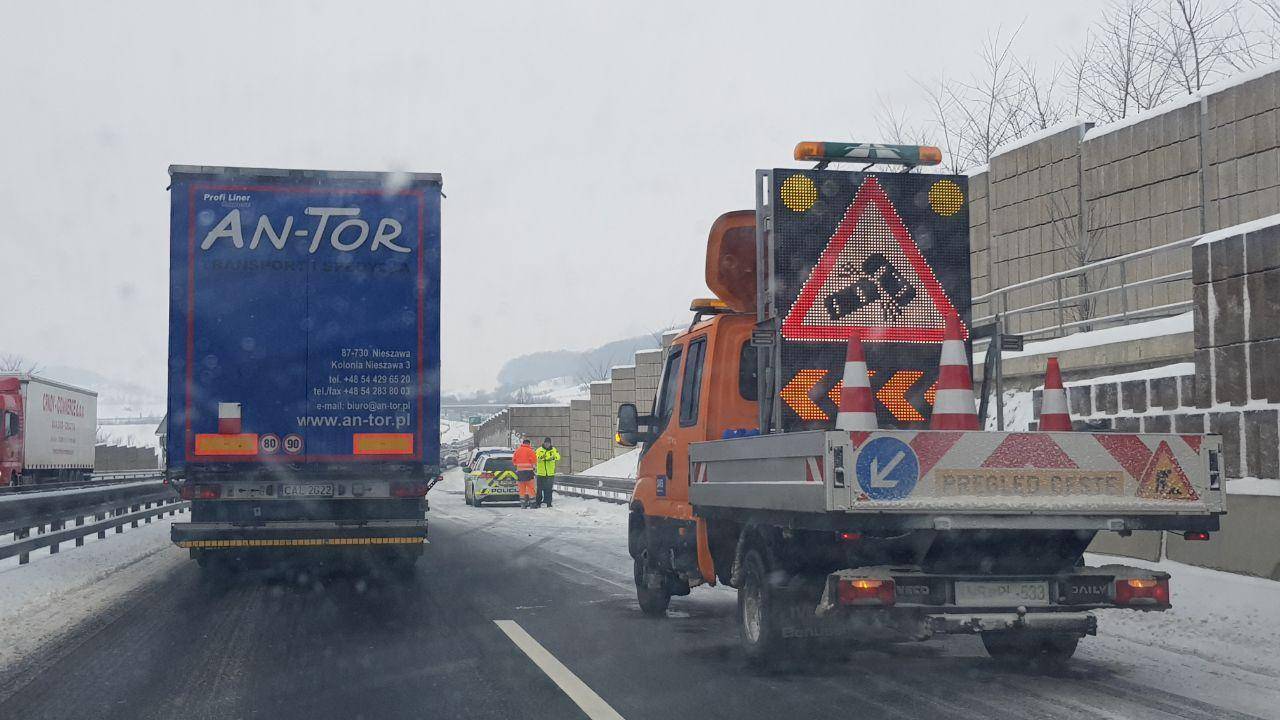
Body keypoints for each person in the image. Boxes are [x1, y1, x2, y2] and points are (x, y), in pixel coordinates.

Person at [534, 437, 561, 508]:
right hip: (541, 473)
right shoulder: (539, 450)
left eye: (548, 443)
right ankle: (538, 503)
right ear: (544, 443)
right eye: (546, 443)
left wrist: (553, 458)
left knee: (549, 489)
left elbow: (558, 457)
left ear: (550, 444)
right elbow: (535, 458)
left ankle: (548, 503)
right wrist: (541, 457)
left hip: (550, 473)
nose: (547, 444)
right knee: (539, 489)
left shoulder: (553, 450)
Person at [512, 439, 537, 509]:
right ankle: (532, 504)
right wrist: (532, 467)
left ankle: (523, 504)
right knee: (531, 488)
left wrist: (518, 465)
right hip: (529, 472)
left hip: (520, 472)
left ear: (523, 443)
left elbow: (513, 461)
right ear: (529, 444)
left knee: (522, 489)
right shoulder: (531, 451)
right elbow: (534, 461)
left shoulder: (517, 451)